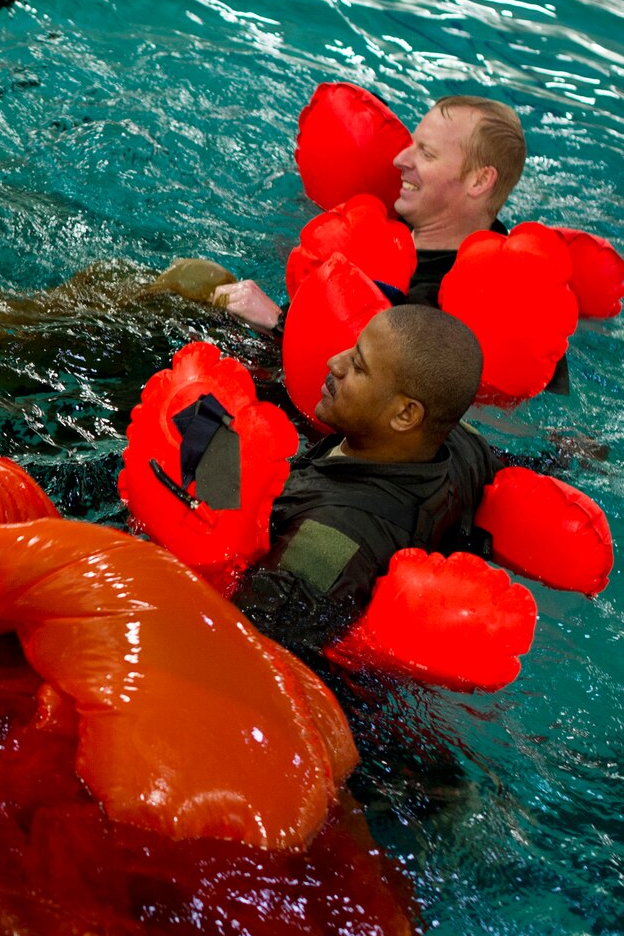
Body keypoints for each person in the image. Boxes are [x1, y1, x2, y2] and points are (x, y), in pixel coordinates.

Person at [234, 304, 495, 659]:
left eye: (358, 366)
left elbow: (243, 648)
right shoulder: (461, 446)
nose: (334, 363)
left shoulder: (329, 541)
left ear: (406, 414)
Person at [213, 95, 527, 330]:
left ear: (480, 180)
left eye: (427, 153)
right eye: (412, 144)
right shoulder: (382, 227)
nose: (400, 159)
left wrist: (276, 321)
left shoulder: (472, 301)